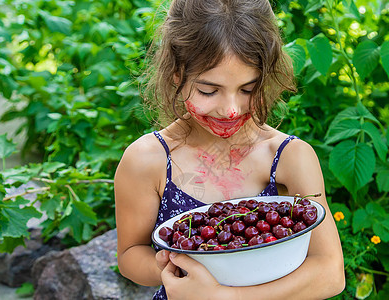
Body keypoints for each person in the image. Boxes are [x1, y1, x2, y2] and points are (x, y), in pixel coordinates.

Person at [114, 0, 345, 299]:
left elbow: (330, 273)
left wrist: (224, 296)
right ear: (176, 74)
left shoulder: (289, 157)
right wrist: (171, 270)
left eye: (248, 89)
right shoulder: (148, 160)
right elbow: (131, 253)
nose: (231, 110)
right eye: (208, 90)